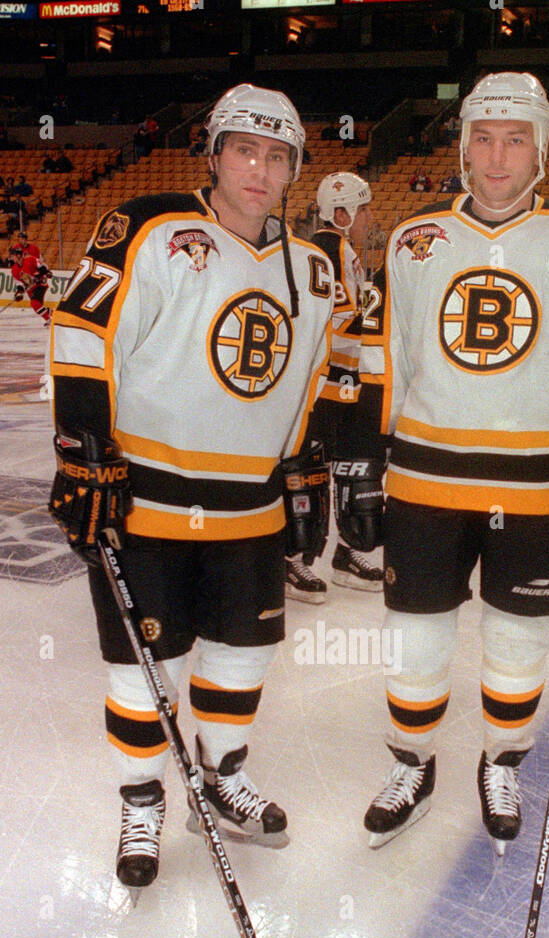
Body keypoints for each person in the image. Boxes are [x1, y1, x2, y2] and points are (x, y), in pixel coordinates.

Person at [48, 84, 335, 891]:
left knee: (244, 653)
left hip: (251, 504)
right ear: (211, 153)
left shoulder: (313, 270)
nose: (259, 168)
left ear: (293, 170)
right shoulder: (149, 227)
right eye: (244, 149)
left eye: (277, 156)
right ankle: (142, 800)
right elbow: (81, 331)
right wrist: (83, 453)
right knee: (144, 666)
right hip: (145, 497)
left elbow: (306, 381)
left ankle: (221, 774)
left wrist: (304, 470)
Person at [357, 70, 549, 850]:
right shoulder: (417, 237)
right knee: (415, 634)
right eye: (481, 137)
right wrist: (355, 460)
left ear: (541, 150)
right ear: (460, 146)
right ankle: (412, 762)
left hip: (538, 483)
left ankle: (500, 759)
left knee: (519, 634)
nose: (495, 156)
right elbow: (384, 360)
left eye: (514, 139)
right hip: (424, 477)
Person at [286, 170, 383, 602]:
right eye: (362, 209)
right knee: (307, 471)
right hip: (325, 384)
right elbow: (340, 320)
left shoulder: (340, 249)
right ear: (340, 213)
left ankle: (345, 553)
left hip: (346, 382)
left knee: (354, 466)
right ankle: (290, 560)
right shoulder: (329, 250)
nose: (369, 217)